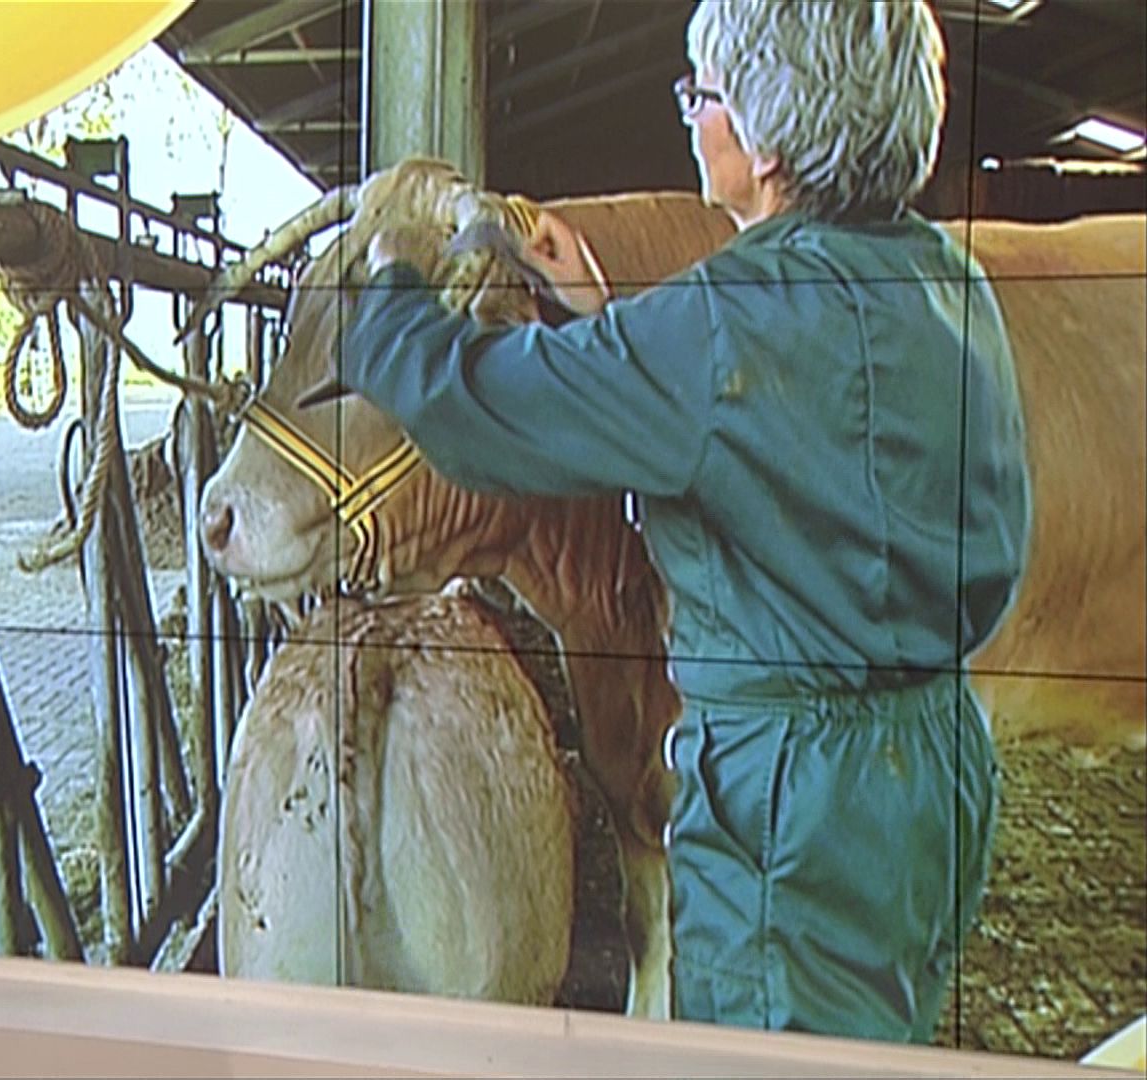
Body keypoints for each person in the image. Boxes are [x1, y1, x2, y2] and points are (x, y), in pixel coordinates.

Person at [341, 0, 1029, 1043]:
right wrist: (609, 317)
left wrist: (388, 282)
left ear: (765, 138)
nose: (691, 118)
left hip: (789, 807)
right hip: (933, 763)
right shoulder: (947, 281)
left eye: (701, 95)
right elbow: (803, 430)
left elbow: (467, 407)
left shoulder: (721, 322)